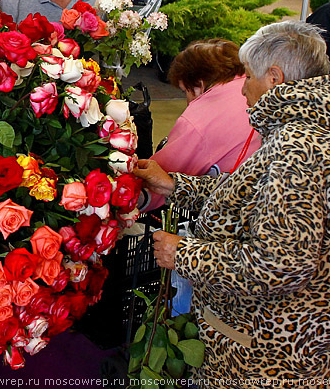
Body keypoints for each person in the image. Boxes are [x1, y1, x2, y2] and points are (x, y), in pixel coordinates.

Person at [135, 21, 330, 379]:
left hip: (265, 357)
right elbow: (249, 195)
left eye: (249, 77)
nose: (242, 92)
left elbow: (279, 266)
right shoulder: (298, 129)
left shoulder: (297, 147)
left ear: (274, 78)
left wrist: (185, 253)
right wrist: (174, 185)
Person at [142, 39, 260, 211]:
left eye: (185, 91)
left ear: (198, 84)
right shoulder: (253, 89)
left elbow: (155, 181)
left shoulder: (200, 118)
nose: (188, 101)